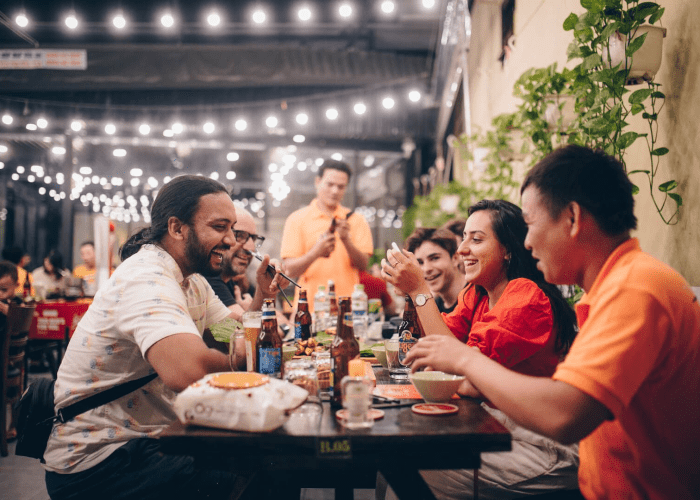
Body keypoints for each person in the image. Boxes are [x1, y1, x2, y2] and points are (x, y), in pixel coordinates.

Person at [405, 145, 700, 499]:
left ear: (572, 218)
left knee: (414, 462)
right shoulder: (611, 286)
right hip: (600, 477)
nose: (527, 242)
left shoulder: (635, 289)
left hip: (637, 488)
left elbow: (565, 416)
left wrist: (464, 358)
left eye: (530, 224)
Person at [43, 175, 287, 500]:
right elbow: (184, 372)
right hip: (99, 460)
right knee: (264, 474)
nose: (232, 241)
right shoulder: (147, 277)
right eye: (220, 228)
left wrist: (264, 298)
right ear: (176, 228)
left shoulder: (193, 281)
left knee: (265, 462)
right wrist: (253, 354)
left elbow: (236, 332)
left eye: (234, 230)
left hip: (147, 439)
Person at [381, 199, 579, 499]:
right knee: (394, 457)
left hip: (544, 442)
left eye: (476, 239)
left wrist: (420, 290)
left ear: (508, 248)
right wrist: (411, 294)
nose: (462, 250)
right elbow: (433, 342)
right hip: (496, 425)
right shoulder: (478, 295)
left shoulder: (526, 297)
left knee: (410, 465)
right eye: (464, 239)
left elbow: (458, 369)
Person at [281, 159, 373, 311]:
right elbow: (289, 270)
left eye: (341, 186)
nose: (335, 191)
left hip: (348, 308)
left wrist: (346, 240)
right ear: (318, 182)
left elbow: (363, 265)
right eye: (330, 184)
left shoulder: (356, 220)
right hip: (309, 307)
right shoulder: (296, 219)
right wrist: (316, 252)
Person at [404, 227, 467, 314]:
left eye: (434, 258)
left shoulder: (478, 296)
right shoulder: (436, 305)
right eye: (420, 262)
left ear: (455, 258)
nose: (426, 269)